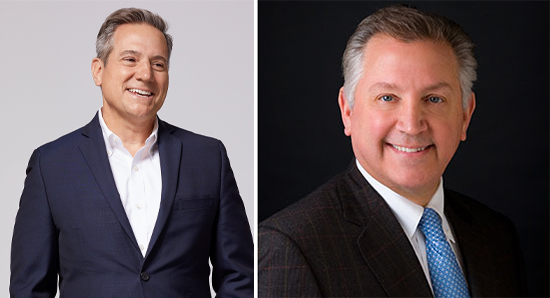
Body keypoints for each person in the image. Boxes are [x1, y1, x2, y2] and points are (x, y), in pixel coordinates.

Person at [259, 5, 525, 297]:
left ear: (465, 115)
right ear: (348, 110)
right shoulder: (292, 249)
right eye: (387, 97)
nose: (412, 125)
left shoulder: (495, 235)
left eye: (434, 99)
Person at [10, 8, 253, 297]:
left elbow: (239, 276)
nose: (146, 74)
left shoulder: (208, 157)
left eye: (158, 64)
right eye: (130, 60)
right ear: (98, 70)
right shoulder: (51, 166)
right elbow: (30, 289)